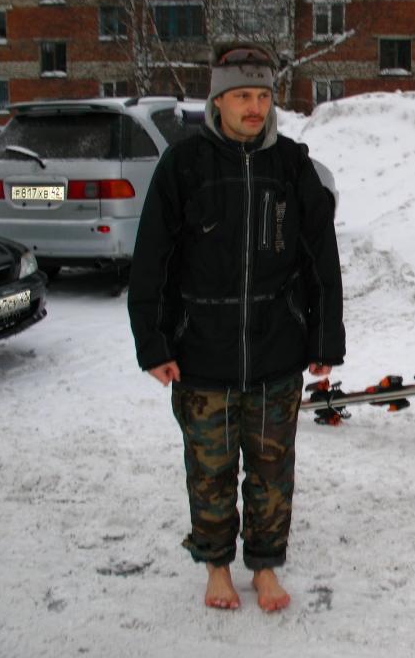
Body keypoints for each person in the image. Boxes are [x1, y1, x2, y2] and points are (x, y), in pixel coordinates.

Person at [127, 44, 345, 610]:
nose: (255, 107)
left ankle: (266, 568)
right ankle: (217, 568)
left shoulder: (291, 165)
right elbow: (151, 260)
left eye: (263, 95)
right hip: (202, 355)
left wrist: (325, 338)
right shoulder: (184, 165)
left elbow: (320, 259)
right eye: (242, 95)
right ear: (217, 101)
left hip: (277, 351)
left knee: (273, 471)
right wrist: (153, 343)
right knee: (210, 472)